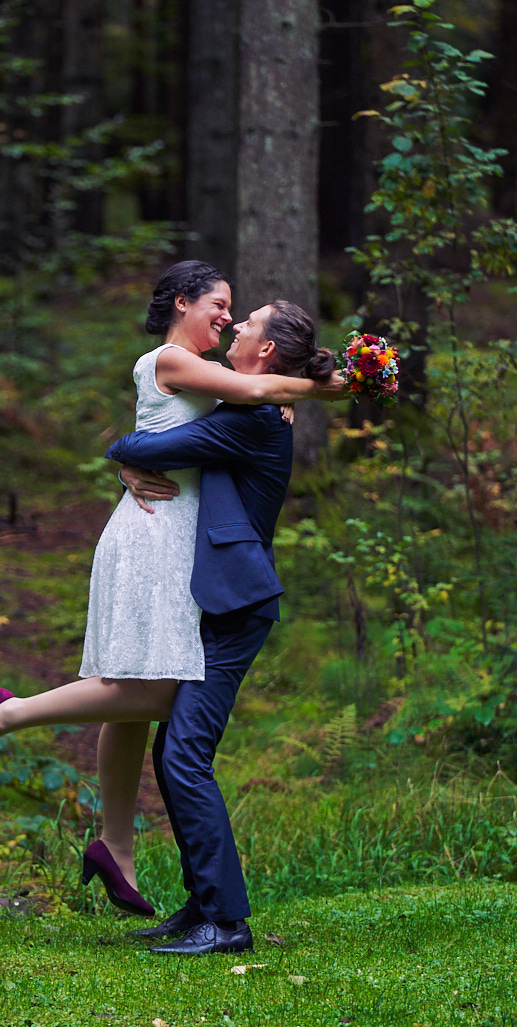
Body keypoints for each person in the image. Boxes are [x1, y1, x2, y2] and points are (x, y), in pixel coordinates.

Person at [0, 262, 342, 918]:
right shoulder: (174, 360)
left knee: (136, 696)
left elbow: (209, 420)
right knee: (153, 690)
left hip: (181, 539)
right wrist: (331, 386)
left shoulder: (230, 387)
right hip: (154, 531)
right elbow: (228, 401)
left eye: (238, 312)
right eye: (219, 304)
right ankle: (7, 712)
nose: (229, 317)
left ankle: (117, 846)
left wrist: (282, 397)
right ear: (182, 302)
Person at [105, 298, 337, 954]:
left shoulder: (250, 419)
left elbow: (142, 444)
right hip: (225, 602)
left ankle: (228, 922)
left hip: (237, 608)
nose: (235, 325)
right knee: (172, 752)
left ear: (266, 352)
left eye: (248, 322)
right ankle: (203, 903)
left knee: (184, 753)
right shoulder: (250, 409)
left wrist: (122, 456)